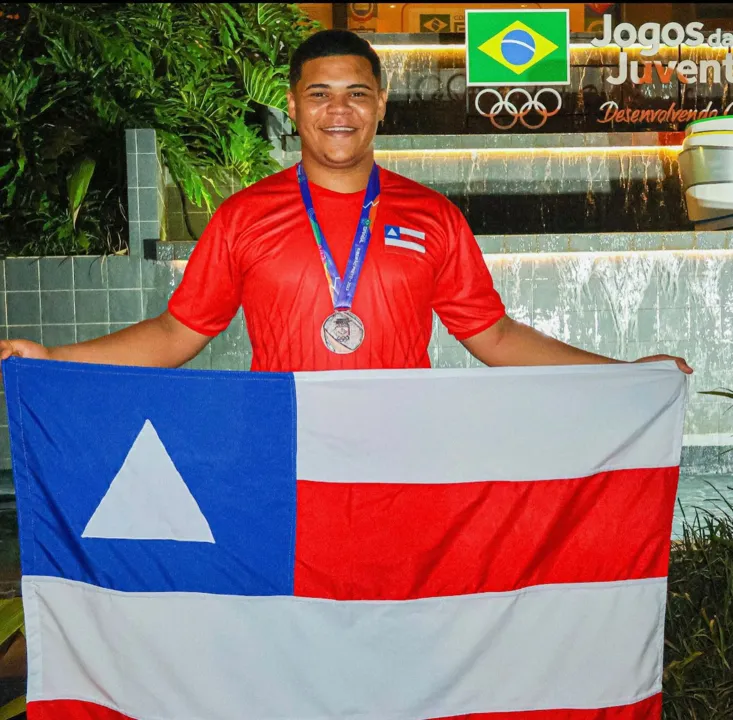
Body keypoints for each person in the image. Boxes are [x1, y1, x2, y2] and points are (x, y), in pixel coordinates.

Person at [0, 30, 692, 376]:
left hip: (401, 451)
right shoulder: (244, 216)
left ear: (380, 104)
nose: (339, 110)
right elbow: (179, 333)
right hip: (284, 447)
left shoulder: (433, 217)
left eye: (356, 93)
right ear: (295, 106)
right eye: (319, 94)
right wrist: (54, 360)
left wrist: (621, 374)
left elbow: (496, 338)